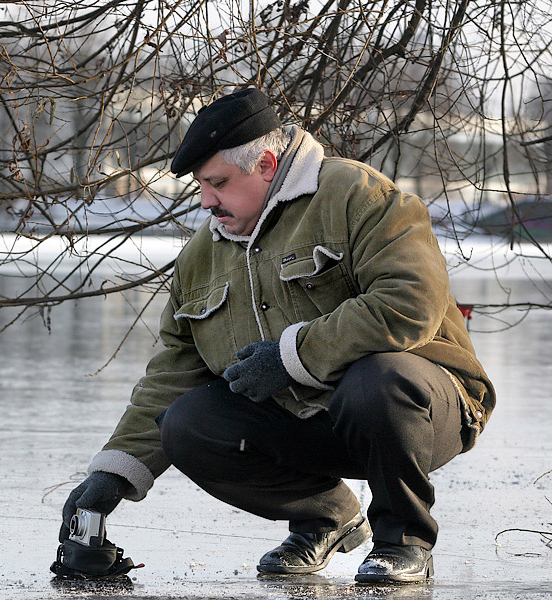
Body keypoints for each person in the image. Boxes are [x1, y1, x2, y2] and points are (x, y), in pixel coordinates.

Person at [59, 88, 495, 583]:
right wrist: (115, 472)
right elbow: (172, 374)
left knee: (377, 378)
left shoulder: (358, 195)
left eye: (218, 183)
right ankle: (325, 517)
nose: (206, 201)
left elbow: (409, 303)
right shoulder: (201, 257)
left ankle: (403, 541)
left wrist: (293, 357)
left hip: (421, 411)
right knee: (187, 422)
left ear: (266, 165)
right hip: (310, 423)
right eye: (202, 186)